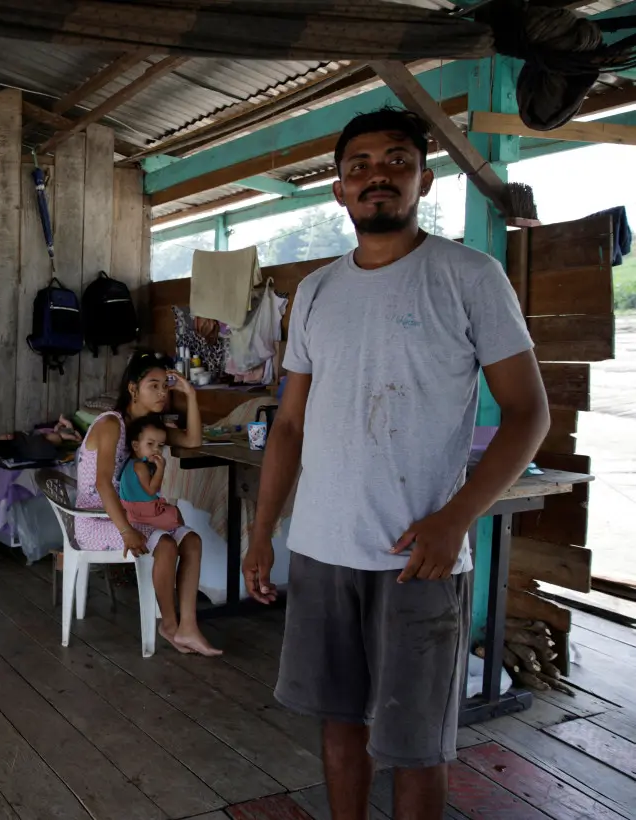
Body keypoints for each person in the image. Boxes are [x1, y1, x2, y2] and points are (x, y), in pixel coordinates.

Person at [244, 108, 549, 819]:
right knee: (341, 722)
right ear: (339, 190)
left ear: (422, 178)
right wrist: (265, 534)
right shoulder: (316, 292)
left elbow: (528, 413)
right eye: (359, 166)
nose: (376, 175)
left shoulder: (469, 277)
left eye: (395, 161)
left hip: (420, 556)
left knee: (415, 746)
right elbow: (288, 425)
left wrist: (456, 519)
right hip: (321, 549)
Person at [76, 351, 221, 657]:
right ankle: (169, 625)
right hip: (95, 519)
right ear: (133, 389)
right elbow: (103, 483)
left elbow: (193, 441)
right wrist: (127, 531)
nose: (162, 393)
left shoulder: (146, 429)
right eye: (153, 386)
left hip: (128, 513)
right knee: (166, 545)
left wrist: (191, 395)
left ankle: (189, 626)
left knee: (191, 541)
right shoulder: (112, 424)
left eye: (165, 387)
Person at [119, 414, 181, 532]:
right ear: (135, 445)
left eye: (160, 445)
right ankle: (180, 538)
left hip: (136, 510)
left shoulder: (133, 463)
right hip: (143, 514)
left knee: (172, 511)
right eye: (150, 444)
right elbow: (152, 490)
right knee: (174, 512)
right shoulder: (140, 466)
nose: (156, 449)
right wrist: (161, 468)